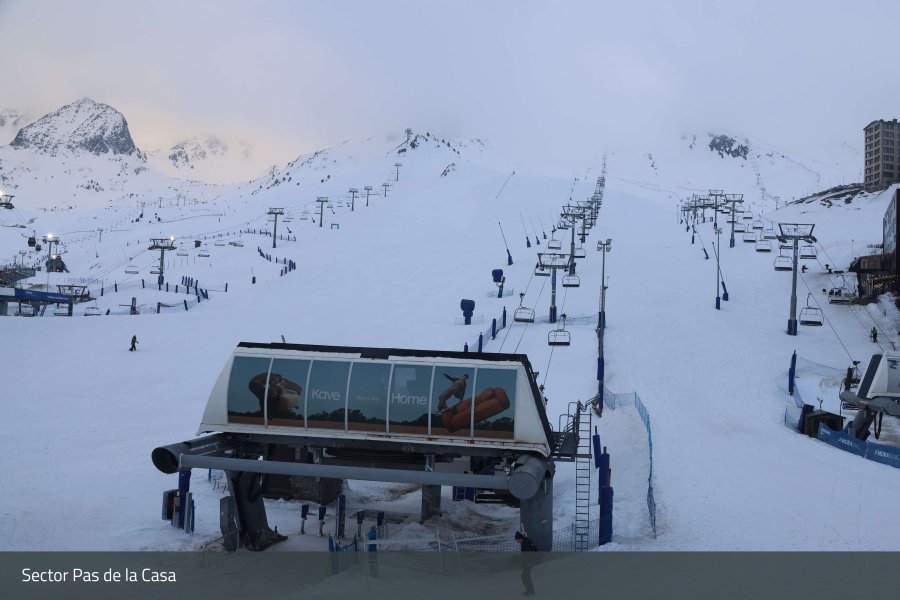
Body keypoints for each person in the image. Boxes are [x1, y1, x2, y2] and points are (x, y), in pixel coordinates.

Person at [515, 531, 538, 596]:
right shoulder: (525, 541)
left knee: (524, 577)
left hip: (529, 563)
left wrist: (528, 563)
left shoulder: (526, 544)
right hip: (529, 562)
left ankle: (530, 590)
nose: (517, 541)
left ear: (520, 538)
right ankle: (531, 589)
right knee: (527, 576)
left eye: (517, 540)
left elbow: (529, 554)